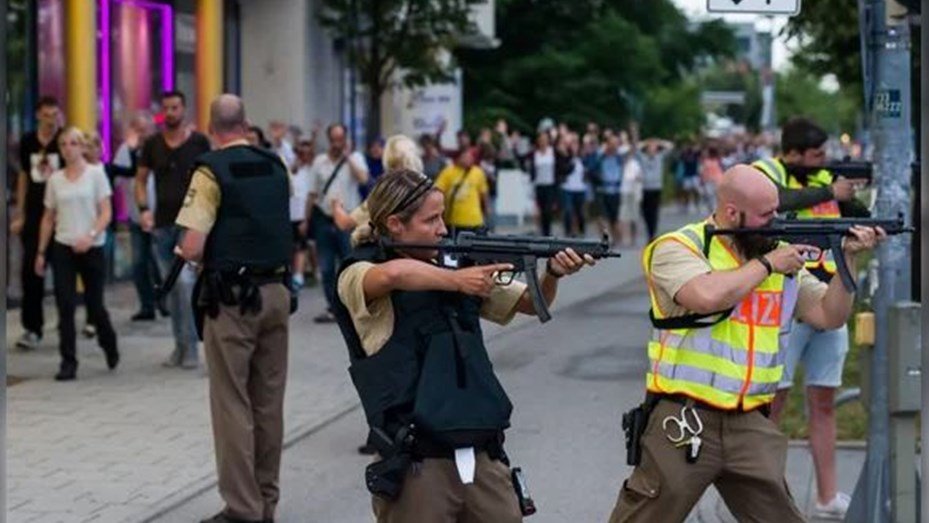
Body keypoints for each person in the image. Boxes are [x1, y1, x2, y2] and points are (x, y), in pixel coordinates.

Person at [608, 165, 883, 522]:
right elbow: (705, 296)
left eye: (777, 211)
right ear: (731, 213)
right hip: (685, 418)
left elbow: (828, 316)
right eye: (766, 215)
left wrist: (848, 258)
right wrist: (768, 264)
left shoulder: (777, 256)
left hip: (750, 421)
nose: (776, 222)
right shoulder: (678, 247)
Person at [333, 169, 594, 522]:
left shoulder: (454, 265)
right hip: (417, 464)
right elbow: (393, 275)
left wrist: (553, 274)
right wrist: (456, 280)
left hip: (483, 456)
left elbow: (531, 304)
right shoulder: (358, 272)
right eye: (431, 220)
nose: (443, 228)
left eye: (443, 216)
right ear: (395, 223)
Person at [175, 95, 292, 523]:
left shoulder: (210, 171)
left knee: (232, 404)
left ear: (211, 126)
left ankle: (243, 508)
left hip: (232, 301)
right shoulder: (277, 165)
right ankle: (267, 502)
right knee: (269, 404)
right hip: (277, 293)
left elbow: (192, 247)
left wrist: (184, 249)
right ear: (245, 124)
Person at [754, 117, 869, 520]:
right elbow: (771, 204)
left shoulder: (825, 175)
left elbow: (858, 214)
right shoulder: (764, 173)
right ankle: (765, 497)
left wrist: (854, 200)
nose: (824, 161)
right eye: (816, 155)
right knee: (773, 408)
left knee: (824, 403)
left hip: (827, 297)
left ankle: (826, 496)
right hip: (783, 302)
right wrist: (828, 190)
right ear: (793, 153)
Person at [135, 90, 212, 369]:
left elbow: (212, 179)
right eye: (166, 108)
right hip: (161, 223)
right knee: (171, 287)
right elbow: (140, 180)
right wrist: (143, 209)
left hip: (190, 223)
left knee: (184, 284)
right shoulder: (153, 144)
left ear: (184, 109)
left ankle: (190, 346)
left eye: (175, 107)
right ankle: (179, 346)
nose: (170, 113)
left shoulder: (199, 143)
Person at [35, 127, 119, 381]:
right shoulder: (55, 179)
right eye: (64, 144)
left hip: (91, 246)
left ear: (83, 147)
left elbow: (106, 212)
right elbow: (48, 218)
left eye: (73, 143)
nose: (68, 148)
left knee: (94, 305)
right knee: (65, 305)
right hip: (63, 246)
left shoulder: (96, 174)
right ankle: (68, 361)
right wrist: (40, 252)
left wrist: (90, 235)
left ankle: (109, 342)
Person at [10, 96, 62, 350]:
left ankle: (68, 324)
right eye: (46, 115)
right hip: (33, 214)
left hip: (60, 216)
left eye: (55, 114)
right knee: (31, 272)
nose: (51, 120)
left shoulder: (63, 141)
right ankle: (32, 327)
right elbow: (22, 177)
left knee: (64, 271)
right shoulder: (28, 141)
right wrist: (19, 213)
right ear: (38, 115)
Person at [304, 123, 370, 323]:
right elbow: (312, 193)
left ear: (346, 139)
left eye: (340, 139)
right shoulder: (319, 162)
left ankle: (351, 306)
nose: (336, 144)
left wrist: (347, 157)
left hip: (348, 219)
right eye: (333, 139)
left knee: (349, 263)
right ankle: (333, 308)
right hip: (324, 219)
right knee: (325, 267)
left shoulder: (355, 158)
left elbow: (363, 179)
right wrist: (306, 220)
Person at [113, 112, 168, 321]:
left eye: (145, 128)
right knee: (139, 263)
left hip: (161, 216)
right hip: (137, 216)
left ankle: (164, 301)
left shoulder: (161, 147)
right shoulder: (126, 151)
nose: (142, 133)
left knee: (160, 263)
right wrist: (130, 150)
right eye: (138, 128)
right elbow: (118, 179)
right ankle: (147, 305)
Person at [434, 148, 490, 236]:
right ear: (458, 158)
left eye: (470, 157)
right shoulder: (448, 172)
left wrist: (487, 210)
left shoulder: (478, 172)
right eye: (465, 156)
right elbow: (438, 190)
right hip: (454, 221)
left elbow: (484, 193)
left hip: (475, 221)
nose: (469, 159)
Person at [638, 138, 674, 242]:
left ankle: (652, 233)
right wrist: (645, 142)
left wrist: (658, 142)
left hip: (656, 188)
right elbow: (636, 148)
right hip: (645, 188)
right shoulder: (642, 158)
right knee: (645, 212)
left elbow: (670, 146)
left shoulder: (660, 157)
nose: (652, 150)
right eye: (650, 148)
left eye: (653, 148)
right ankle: (649, 230)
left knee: (654, 212)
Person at [528, 131, 559, 236]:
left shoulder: (553, 152)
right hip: (539, 185)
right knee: (540, 210)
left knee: (548, 210)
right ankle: (541, 231)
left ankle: (547, 232)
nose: (543, 142)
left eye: (545, 139)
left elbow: (559, 166)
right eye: (541, 139)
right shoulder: (535, 154)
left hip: (550, 185)